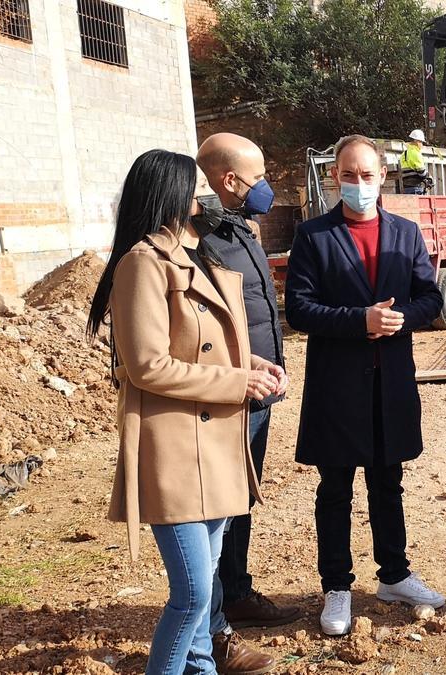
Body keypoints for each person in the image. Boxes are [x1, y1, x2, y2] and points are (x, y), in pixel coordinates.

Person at [87, 150, 287, 674]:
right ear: (170, 194)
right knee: (193, 594)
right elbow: (148, 365)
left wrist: (253, 364)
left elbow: (204, 344)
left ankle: (200, 668)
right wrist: (236, 381)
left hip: (216, 445)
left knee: (207, 581)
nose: (207, 198)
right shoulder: (141, 264)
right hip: (174, 451)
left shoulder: (195, 257)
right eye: (197, 187)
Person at [284, 135, 445, 636]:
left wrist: (398, 319)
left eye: (367, 175)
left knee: (387, 482)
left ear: (382, 176)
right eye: (349, 175)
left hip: (390, 381)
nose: (358, 184)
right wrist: (361, 321)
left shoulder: (405, 232)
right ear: (335, 176)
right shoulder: (313, 236)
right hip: (337, 383)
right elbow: (299, 308)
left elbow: (430, 297)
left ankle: (394, 575)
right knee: (335, 488)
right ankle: (337, 586)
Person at [196, 133, 300, 673]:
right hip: (229, 395)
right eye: (258, 177)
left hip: (259, 390)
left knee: (241, 503)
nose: (266, 187)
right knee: (217, 511)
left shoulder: (241, 228)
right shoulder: (201, 236)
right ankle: (213, 629)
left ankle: (236, 592)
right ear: (228, 180)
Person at [400, 129, 431, 195]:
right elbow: (422, 172)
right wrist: (428, 177)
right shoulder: (416, 153)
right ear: (416, 141)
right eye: (421, 142)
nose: (422, 145)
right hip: (415, 188)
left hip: (405, 188)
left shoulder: (404, 153)